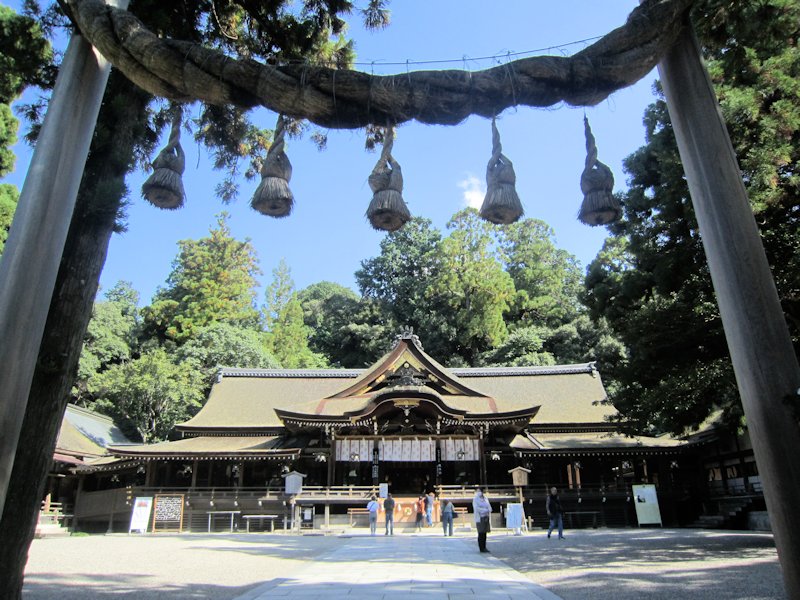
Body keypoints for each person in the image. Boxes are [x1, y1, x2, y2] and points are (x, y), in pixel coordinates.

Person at [472, 487, 492, 552]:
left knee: (485, 533)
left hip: (486, 517)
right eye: (477, 491)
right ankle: (481, 547)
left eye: (479, 491)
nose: (478, 492)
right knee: (480, 532)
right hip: (480, 517)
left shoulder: (485, 498)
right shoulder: (475, 499)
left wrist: (488, 510)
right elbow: (476, 508)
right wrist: (485, 510)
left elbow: (489, 506)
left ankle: (484, 547)